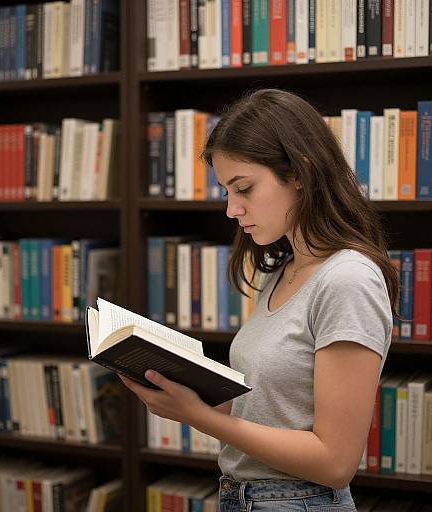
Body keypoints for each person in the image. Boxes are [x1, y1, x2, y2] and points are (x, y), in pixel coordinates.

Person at [119, 89, 397, 511]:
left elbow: (336, 462)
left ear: (301, 172)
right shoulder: (283, 270)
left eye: (244, 188)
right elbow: (269, 407)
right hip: (241, 496)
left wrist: (199, 417)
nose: (232, 209)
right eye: (226, 192)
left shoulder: (347, 280)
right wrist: (179, 385)